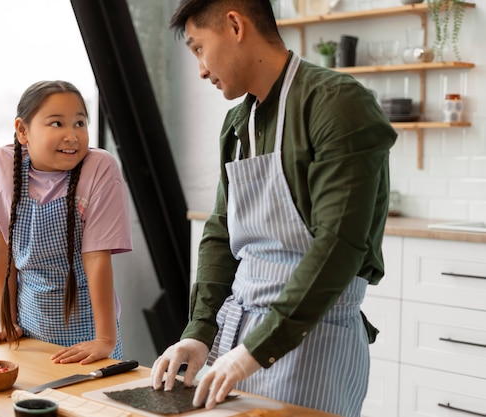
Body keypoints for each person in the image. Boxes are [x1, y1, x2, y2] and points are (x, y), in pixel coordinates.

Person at [150, 1, 397, 416]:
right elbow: (220, 234)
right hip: (235, 341)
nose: (201, 70)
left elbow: (339, 245)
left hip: (312, 342)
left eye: (198, 48)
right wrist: (200, 332)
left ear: (234, 25)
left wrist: (254, 351)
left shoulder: (338, 103)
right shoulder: (238, 124)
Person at [0, 80, 132, 365]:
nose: (72, 135)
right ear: (23, 131)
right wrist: (6, 321)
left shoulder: (100, 168)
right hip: (28, 324)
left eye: (80, 123)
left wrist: (105, 340)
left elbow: (96, 256)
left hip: (88, 329)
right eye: (57, 124)